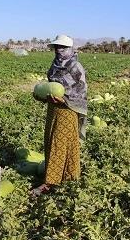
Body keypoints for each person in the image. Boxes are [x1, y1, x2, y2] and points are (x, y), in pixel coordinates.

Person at [32, 35, 88, 196]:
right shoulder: (55, 64)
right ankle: (69, 177)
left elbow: (81, 92)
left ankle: (51, 182)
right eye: (57, 47)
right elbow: (51, 86)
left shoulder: (76, 66)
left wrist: (63, 99)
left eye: (62, 47)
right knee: (51, 140)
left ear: (70, 49)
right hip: (53, 109)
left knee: (61, 143)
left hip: (67, 111)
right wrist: (42, 95)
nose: (58, 50)